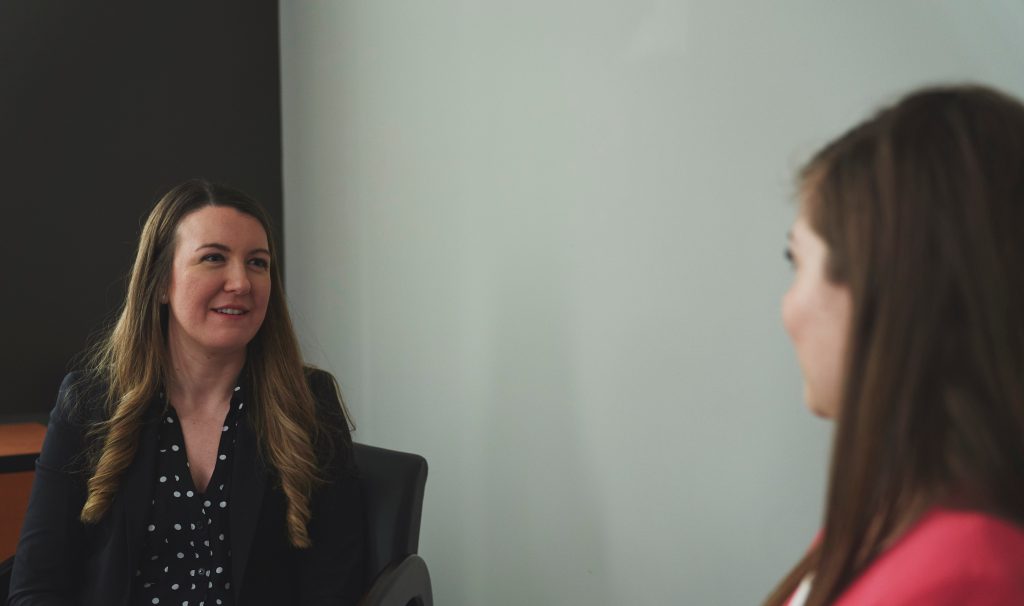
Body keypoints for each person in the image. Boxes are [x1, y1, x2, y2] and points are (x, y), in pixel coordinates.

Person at [9, 180, 365, 605]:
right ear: (161, 283)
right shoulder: (89, 403)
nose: (241, 282)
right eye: (214, 258)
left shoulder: (309, 400)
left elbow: (336, 585)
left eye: (257, 262)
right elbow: (36, 584)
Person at [765, 85, 1024, 606]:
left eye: (797, 262)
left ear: (883, 291)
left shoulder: (963, 576)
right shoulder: (897, 519)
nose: (786, 308)